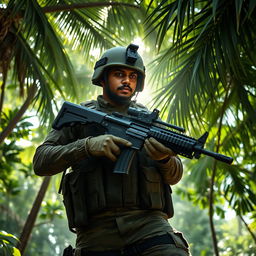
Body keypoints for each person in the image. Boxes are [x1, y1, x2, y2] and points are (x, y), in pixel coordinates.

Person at [33, 44, 190, 256]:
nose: (127, 81)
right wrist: (87, 146)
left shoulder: (152, 124)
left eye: (133, 76)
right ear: (102, 78)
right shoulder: (80, 116)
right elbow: (41, 161)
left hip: (149, 225)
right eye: (119, 74)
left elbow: (175, 175)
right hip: (95, 232)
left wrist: (164, 160)